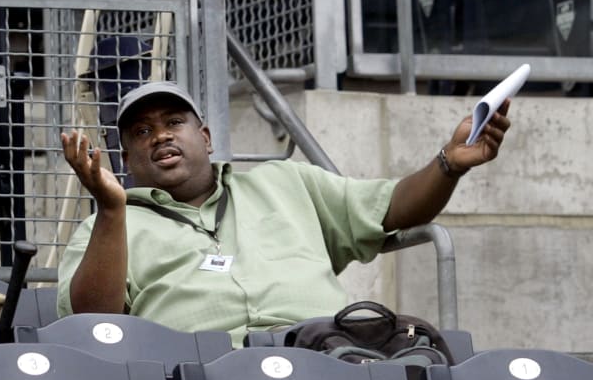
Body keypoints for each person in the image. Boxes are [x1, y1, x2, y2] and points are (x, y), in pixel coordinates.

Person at [57, 81, 510, 346]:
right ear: (126, 159)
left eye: (174, 122)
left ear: (206, 138)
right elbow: (94, 322)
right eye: (142, 132)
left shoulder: (286, 181)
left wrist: (448, 163)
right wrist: (111, 209)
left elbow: (393, 207)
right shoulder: (108, 226)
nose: (160, 136)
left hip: (327, 354)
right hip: (199, 378)